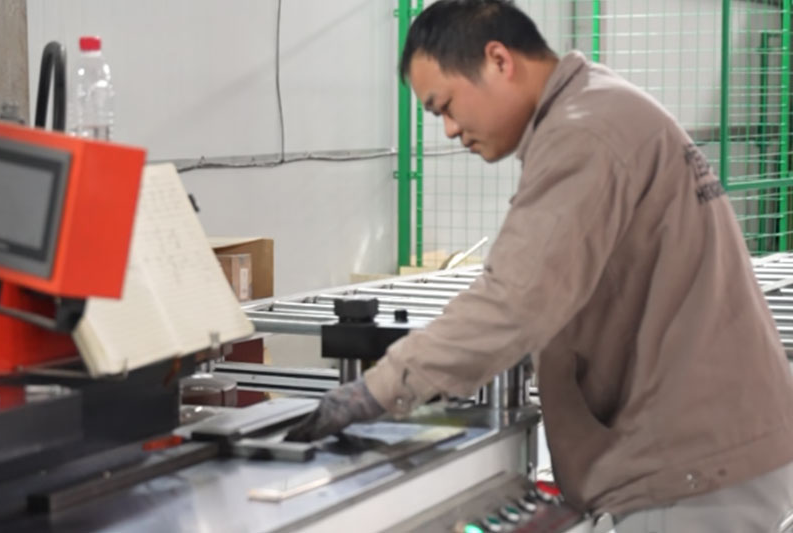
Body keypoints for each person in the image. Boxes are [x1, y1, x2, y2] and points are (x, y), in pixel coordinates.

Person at [286, 0, 793, 530]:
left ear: (499, 60)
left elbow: (515, 300)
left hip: (691, 469)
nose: (450, 130)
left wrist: (375, 390)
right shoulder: (599, 107)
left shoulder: (585, 133)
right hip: (712, 451)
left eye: (445, 106)